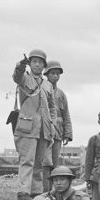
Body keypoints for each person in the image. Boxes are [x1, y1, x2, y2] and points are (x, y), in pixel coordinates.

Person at [13, 49, 57, 200]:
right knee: (27, 160)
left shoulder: (48, 85)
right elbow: (16, 77)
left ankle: (35, 191)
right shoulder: (24, 78)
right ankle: (23, 191)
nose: (37, 65)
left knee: (39, 162)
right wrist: (20, 66)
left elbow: (52, 107)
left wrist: (52, 123)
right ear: (30, 64)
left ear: (44, 66)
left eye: (40, 62)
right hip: (27, 126)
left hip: (44, 128)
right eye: (34, 62)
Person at [42, 61, 73, 191]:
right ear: (47, 74)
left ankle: (54, 191)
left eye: (57, 74)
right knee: (45, 162)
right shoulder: (41, 88)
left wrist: (68, 133)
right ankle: (44, 190)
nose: (55, 76)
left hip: (58, 132)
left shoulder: (61, 94)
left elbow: (66, 114)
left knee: (55, 163)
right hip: (44, 129)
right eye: (52, 73)